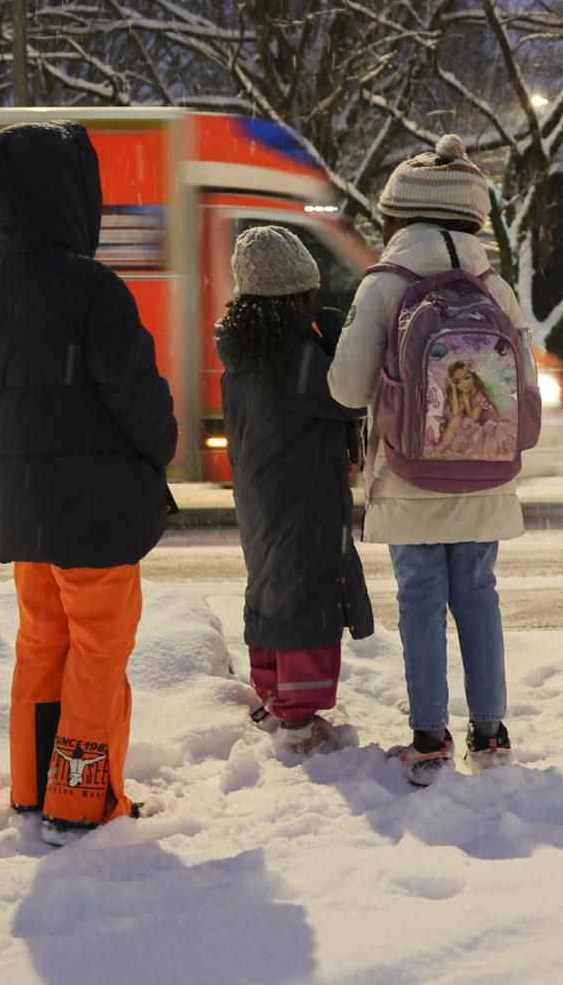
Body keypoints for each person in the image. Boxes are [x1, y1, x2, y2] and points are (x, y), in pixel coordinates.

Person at [0, 121, 179, 846]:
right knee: (97, 650)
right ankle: (80, 801)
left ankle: (32, 787)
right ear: (70, 199)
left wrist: (27, 456)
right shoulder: (94, 289)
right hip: (97, 516)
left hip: (30, 516)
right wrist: (157, 453)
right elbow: (138, 399)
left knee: (41, 643)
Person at [328, 134, 521, 784]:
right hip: (485, 470)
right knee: (478, 592)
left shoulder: (386, 282)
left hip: (411, 472)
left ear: (398, 214)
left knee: (420, 596)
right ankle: (491, 733)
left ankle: (430, 736)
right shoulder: (494, 283)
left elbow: (347, 388)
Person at [216, 225, 374, 758]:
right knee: (305, 594)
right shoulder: (299, 358)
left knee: (272, 586)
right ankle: (298, 726)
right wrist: (334, 334)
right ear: (297, 296)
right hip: (302, 499)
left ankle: (277, 699)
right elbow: (352, 397)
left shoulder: (243, 356)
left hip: (260, 498)